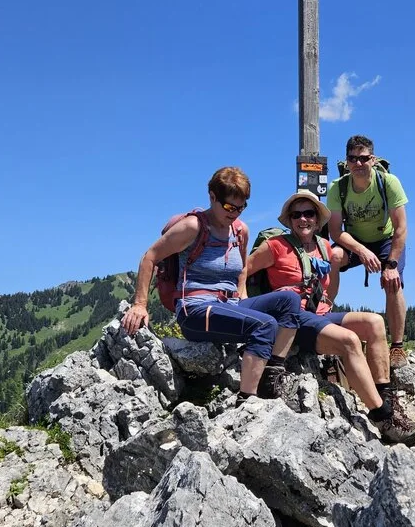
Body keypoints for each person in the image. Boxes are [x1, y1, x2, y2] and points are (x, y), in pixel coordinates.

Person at [242, 190, 415, 445]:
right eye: (296, 215)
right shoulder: (275, 246)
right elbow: (244, 269)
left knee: (374, 323)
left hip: (320, 316)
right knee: (349, 340)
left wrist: (327, 298)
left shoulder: (324, 247)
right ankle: (382, 417)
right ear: (290, 220)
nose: (302, 219)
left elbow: (329, 288)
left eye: (308, 214)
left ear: (317, 220)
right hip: (293, 321)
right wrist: (243, 306)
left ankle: (387, 396)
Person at [120, 167, 300, 401]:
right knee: (264, 325)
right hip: (194, 310)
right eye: (229, 207)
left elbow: (243, 268)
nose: (235, 213)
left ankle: (271, 372)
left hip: (229, 304)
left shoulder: (240, 231)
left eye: (241, 207)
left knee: (290, 300)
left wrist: (242, 298)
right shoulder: (193, 227)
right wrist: (140, 304)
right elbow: (150, 256)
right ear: (212, 197)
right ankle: (247, 401)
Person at [327, 134, 410, 372]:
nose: (358, 164)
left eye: (363, 158)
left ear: (372, 159)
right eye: (353, 159)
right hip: (355, 240)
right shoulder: (338, 188)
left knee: (392, 282)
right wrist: (361, 250)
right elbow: (335, 231)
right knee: (333, 257)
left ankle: (396, 346)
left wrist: (391, 264)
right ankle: (323, 319)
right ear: (347, 160)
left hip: (386, 239)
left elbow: (401, 226)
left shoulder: (388, 182)